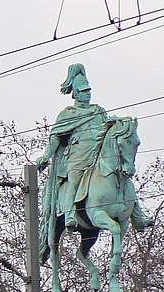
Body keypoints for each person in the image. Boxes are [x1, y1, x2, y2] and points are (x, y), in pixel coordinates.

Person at [36, 64, 150, 235]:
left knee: (123, 177)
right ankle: (70, 214)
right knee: (74, 178)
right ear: (75, 93)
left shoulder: (98, 110)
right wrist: (46, 155)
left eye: (88, 90)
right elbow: (56, 136)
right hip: (77, 156)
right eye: (83, 91)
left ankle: (138, 216)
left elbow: (109, 126)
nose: (87, 94)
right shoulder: (68, 113)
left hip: (98, 154)